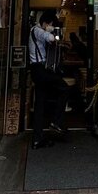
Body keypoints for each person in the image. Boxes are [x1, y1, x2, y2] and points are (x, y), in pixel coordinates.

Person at [29, 10, 70, 149]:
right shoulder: (36, 30)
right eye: (51, 25)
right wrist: (55, 33)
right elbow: (52, 38)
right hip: (40, 70)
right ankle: (56, 121)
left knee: (40, 105)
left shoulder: (36, 31)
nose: (51, 27)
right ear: (45, 23)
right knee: (64, 88)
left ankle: (37, 139)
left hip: (38, 71)